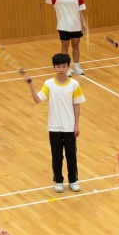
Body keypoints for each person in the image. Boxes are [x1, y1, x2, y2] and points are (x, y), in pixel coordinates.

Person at [26, 55, 83, 193]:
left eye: (64, 66)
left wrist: (76, 125)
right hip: (54, 127)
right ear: (54, 67)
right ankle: (58, 181)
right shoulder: (49, 84)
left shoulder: (74, 84)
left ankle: (73, 180)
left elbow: (77, 105)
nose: (61, 69)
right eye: (58, 67)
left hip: (69, 127)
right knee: (56, 156)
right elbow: (38, 100)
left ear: (68, 67)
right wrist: (31, 86)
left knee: (71, 155)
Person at [39, 0, 87, 75]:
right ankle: (66, 68)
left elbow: (80, 9)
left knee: (76, 46)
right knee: (65, 48)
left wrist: (83, 22)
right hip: (64, 26)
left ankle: (77, 67)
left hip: (76, 25)